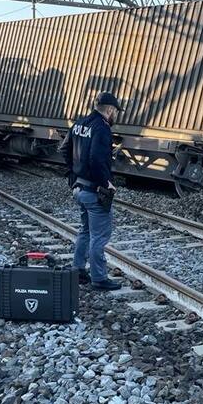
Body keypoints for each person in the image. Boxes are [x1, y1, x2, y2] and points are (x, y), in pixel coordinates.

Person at [58, 91, 123, 291]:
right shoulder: (102, 129)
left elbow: (64, 149)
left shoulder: (80, 123)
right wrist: (105, 182)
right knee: (99, 236)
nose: (116, 117)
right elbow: (96, 158)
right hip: (94, 191)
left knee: (85, 231)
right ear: (110, 110)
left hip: (79, 187)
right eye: (116, 112)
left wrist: (73, 175)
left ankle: (78, 269)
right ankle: (99, 278)